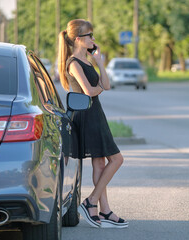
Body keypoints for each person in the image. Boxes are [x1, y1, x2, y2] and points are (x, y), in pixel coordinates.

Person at [58, 19, 128, 229]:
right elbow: (90, 91)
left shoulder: (88, 61)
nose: (93, 39)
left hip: (96, 114)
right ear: (79, 39)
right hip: (86, 116)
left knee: (99, 163)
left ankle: (102, 209)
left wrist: (100, 63)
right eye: (90, 36)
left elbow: (105, 85)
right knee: (117, 159)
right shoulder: (73, 63)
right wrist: (97, 88)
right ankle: (91, 202)